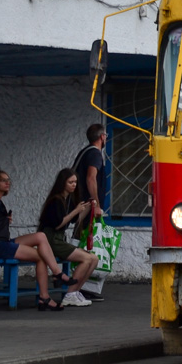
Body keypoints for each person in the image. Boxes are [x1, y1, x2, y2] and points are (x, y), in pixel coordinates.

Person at [0, 170, 73, 311]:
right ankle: (48, 291)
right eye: (3, 180)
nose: (7, 182)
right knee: (41, 257)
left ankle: (53, 280)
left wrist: (4, 220)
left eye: (8, 179)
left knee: (40, 236)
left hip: (4, 242)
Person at [38, 168, 98, 307]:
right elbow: (58, 224)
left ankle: (75, 291)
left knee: (94, 259)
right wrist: (76, 211)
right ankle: (70, 294)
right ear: (62, 183)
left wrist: (87, 208)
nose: (74, 185)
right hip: (51, 240)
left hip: (58, 240)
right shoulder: (56, 200)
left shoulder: (67, 199)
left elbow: (75, 220)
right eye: (70, 182)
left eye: (75, 182)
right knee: (87, 258)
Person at [71, 123, 107, 301]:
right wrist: (96, 204)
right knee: (86, 246)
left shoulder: (85, 152)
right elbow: (91, 178)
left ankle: (81, 285)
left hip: (80, 207)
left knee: (84, 245)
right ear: (102, 137)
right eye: (105, 135)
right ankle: (79, 287)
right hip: (86, 209)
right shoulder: (94, 154)